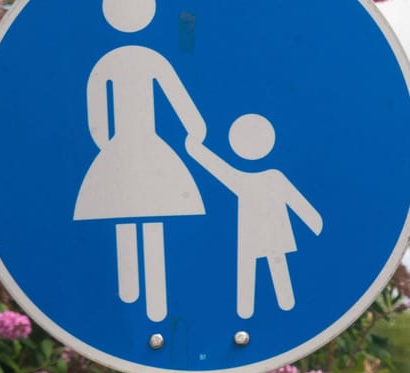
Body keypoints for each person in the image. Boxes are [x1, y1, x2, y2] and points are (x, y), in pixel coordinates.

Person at [74, 0, 210, 323]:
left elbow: (97, 119)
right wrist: (196, 130)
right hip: (146, 146)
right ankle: (150, 302)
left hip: (122, 148)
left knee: (125, 212)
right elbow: (181, 101)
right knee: (149, 217)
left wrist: (110, 148)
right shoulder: (150, 59)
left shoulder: (107, 63)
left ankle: (133, 294)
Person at [185, 115, 323, 319]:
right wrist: (196, 150)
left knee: (268, 266)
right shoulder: (260, 178)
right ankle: (251, 311)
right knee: (261, 266)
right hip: (256, 232)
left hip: (266, 231)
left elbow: (296, 200)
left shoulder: (261, 178)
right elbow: (218, 169)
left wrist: (314, 221)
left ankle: (263, 309)